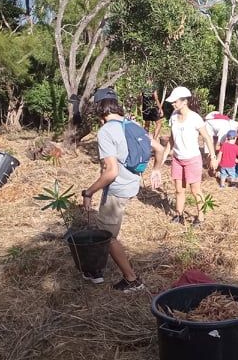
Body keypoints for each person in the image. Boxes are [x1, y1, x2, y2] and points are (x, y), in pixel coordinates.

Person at [81, 90, 164, 291]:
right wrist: (156, 170)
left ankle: (132, 279)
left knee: (106, 236)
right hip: (131, 185)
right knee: (107, 232)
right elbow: (160, 149)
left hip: (117, 189)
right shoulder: (132, 124)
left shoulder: (106, 131)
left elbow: (110, 171)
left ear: (99, 107)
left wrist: (89, 192)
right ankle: (96, 272)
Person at [164, 86, 217, 226]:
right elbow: (171, 138)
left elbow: (207, 137)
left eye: (175, 101)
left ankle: (201, 217)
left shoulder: (195, 118)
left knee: (195, 190)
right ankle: (179, 214)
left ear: (184, 101)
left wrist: (213, 157)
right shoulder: (174, 117)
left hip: (192, 159)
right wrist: (164, 155)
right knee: (179, 189)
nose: (173, 104)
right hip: (177, 158)